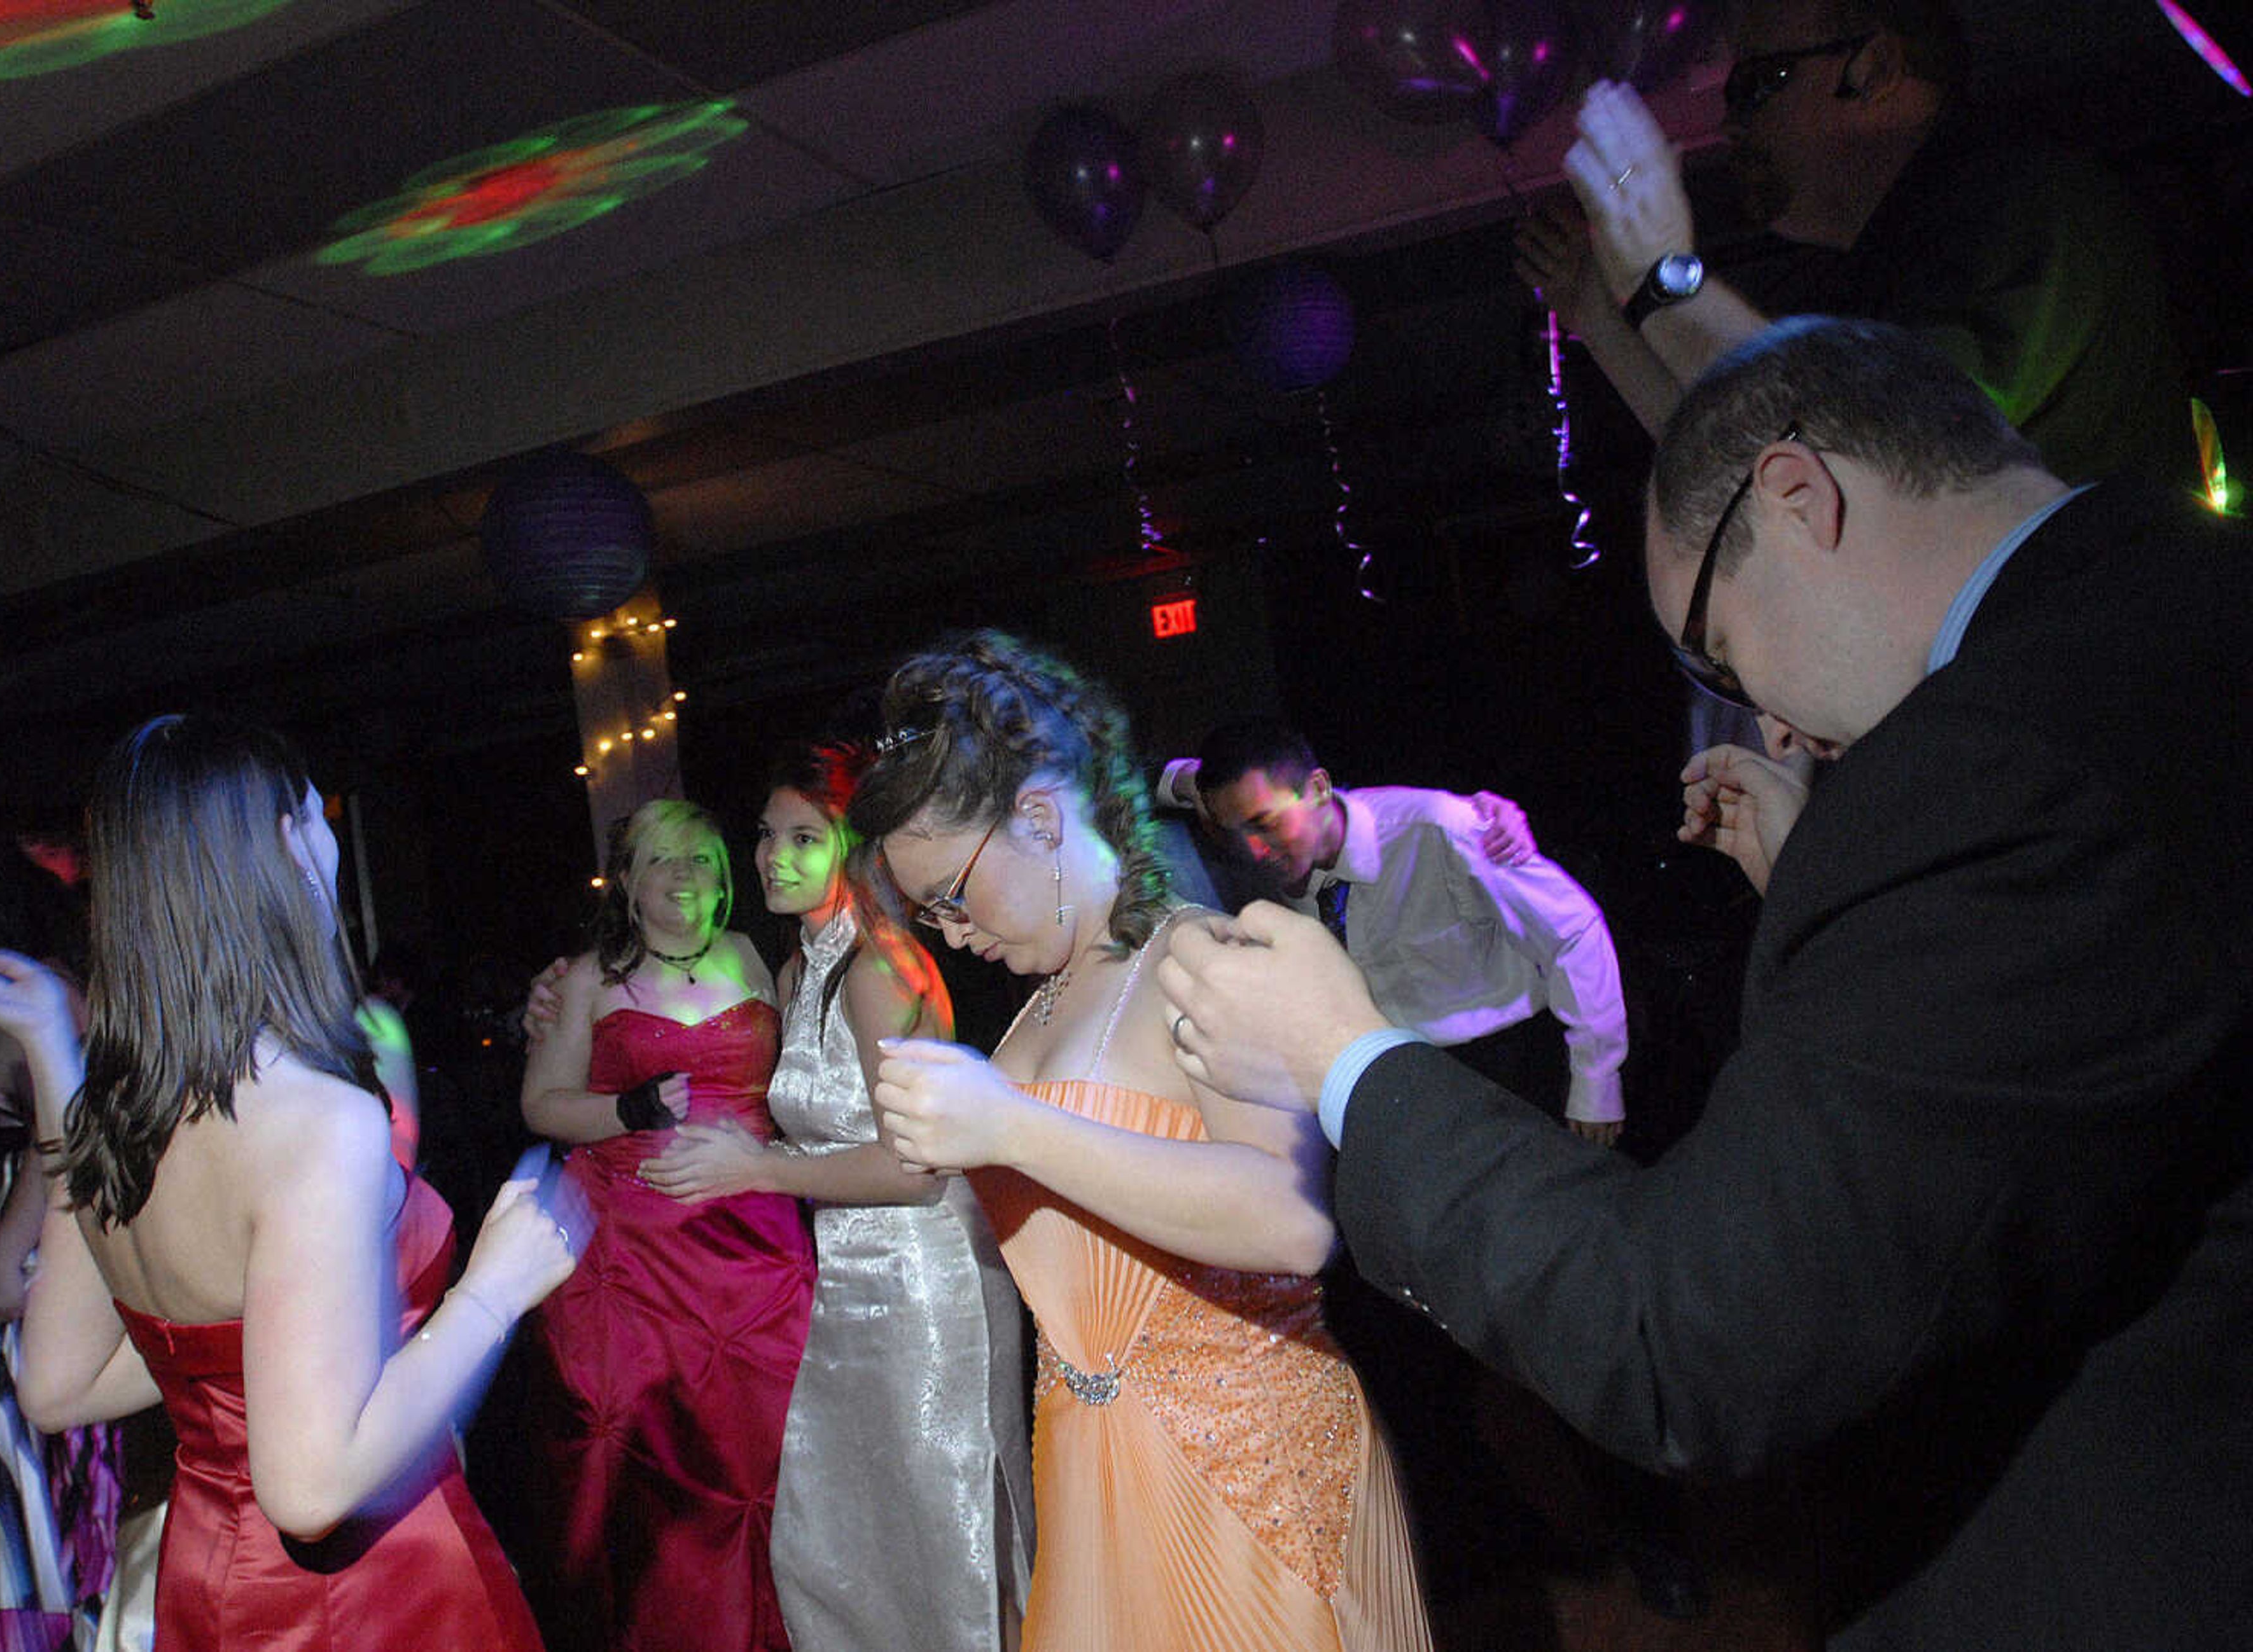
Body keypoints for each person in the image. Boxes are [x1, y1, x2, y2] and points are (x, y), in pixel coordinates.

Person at [1157, 316, 2252, 1651]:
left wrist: (1343, 1060)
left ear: (1796, 500)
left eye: (1717, 651)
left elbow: (1693, 1336)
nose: (1768, 719)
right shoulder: (2176, 604)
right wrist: (1828, 882)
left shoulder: (1988, 771)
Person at [0, 712, 579, 1652]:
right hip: (367, 1596)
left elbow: (57, 1385)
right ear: (285, 842)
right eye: (318, 815)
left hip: (211, 1574)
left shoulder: (114, 1105)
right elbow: (310, 1490)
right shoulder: (316, 1121)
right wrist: (496, 1287)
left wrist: (46, 1048)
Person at [851, 632, 1433, 1652]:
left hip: (1242, 1468)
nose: (947, 930)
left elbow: (1292, 1222)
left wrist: (1011, 1124)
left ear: (1036, 816)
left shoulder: (1201, 956)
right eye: (927, 909)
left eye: (952, 894)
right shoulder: (1031, 1015)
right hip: (1088, 1467)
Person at [636, 742, 1032, 1652]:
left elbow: (912, 1166)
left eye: (803, 837)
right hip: (851, 1280)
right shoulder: (798, 969)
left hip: (930, 1281)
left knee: (949, 1535)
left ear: (856, 847)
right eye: (768, 836)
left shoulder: (878, 971)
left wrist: (759, 1168)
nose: (773, 855)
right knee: (842, 1533)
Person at [1519, 0, 2191, 487]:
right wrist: (1602, 320)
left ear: (1871, 70)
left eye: (1757, 83)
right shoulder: (1871, 275)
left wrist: (1666, 279)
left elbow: (1878, 438)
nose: (1729, 122)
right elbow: (1758, 462)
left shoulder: (2028, 201)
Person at [519, 799, 814, 1652]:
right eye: (664, 861)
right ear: (628, 879)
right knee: (664, 1482)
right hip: (639, 1267)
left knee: (775, 1465)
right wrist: (627, 1107)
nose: (687, 878)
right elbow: (542, 1104)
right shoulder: (587, 979)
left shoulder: (757, 956)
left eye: (704, 860)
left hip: (761, 1258)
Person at [1161, 719, 1625, 1141]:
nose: (1255, 850)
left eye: (1267, 824)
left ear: (1319, 788)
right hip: (1391, 1081)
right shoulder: (1255, 847)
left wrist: (1596, 1084)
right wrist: (1185, 779)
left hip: (1507, 1067)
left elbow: (1574, 934)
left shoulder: (1438, 829)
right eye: (1237, 833)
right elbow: (1164, 783)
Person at [0, 840, 127, 1651]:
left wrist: (6, 1251)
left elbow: (62, 1127)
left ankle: (36, 1626)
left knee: (20, 1447)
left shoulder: (47, 994)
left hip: (23, 1227)